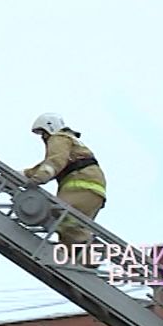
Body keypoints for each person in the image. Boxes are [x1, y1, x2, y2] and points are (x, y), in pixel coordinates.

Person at [23, 113, 107, 267]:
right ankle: (85, 261)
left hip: (80, 186)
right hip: (93, 191)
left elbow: (55, 160)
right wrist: (24, 174)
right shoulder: (71, 142)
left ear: (50, 127)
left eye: (43, 133)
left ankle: (88, 250)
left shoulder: (59, 138)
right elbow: (48, 163)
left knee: (57, 213)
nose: (43, 138)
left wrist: (39, 178)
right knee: (67, 229)